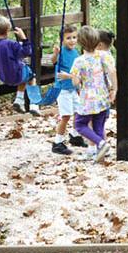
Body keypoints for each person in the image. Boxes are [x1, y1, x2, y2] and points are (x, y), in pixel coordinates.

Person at [70, 26, 118, 162]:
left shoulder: (79, 61)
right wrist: (114, 90)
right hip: (102, 96)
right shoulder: (103, 55)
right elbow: (112, 71)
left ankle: (101, 144)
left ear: (80, 43)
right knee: (98, 125)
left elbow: (75, 82)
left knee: (79, 124)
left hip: (88, 99)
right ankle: (100, 154)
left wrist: (75, 79)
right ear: (98, 42)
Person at [0, 14, 40, 115]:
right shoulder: (11, 44)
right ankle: (34, 105)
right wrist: (24, 38)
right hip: (17, 74)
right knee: (31, 77)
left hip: (4, 78)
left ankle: (19, 101)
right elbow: (27, 52)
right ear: (7, 30)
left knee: (23, 75)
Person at [51, 24, 87, 155]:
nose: (72, 40)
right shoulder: (61, 51)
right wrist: (55, 53)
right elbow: (53, 61)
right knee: (66, 116)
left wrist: (78, 86)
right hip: (63, 90)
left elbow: (77, 71)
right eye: (68, 38)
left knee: (79, 113)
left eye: (74, 37)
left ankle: (75, 136)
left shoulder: (76, 53)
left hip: (72, 89)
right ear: (62, 40)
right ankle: (57, 143)